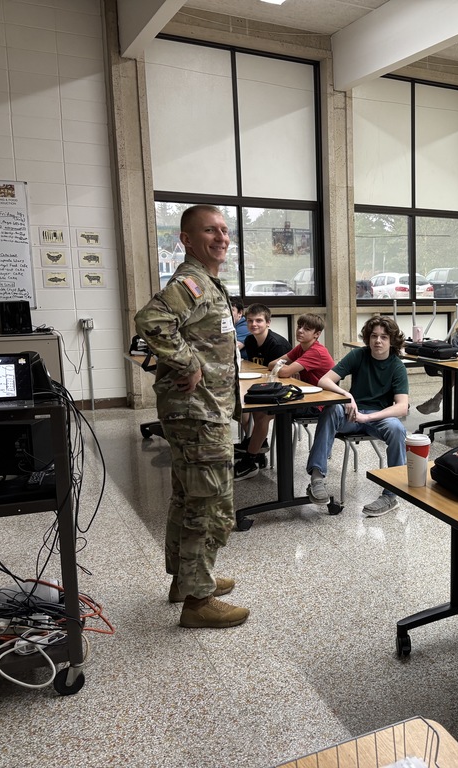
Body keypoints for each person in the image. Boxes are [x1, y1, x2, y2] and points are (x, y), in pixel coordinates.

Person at [134, 204, 247, 629]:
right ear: (186, 239)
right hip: (198, 413)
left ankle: (187, 580)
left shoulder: (208, 283)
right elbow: (151, 320)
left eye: (224, 230)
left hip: (202, 412)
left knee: (188, 496)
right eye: (210, 230)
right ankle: (198, 603)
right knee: (210, 502)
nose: (221, 237)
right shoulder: (192, 281)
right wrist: (187, 363)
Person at [306, 315, 409, 517]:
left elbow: (402, 407)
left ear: (392, 341)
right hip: (351, 414)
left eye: (384, 337)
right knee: (331, 409)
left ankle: (391, 495)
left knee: (397, 428)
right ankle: (317, 479)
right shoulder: (358, 355)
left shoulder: (397, 366)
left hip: (377, 417)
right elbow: (324, 381)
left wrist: (368, 418)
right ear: (368, 338)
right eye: (374, 336)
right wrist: (346, 396)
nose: (378, 341)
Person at [234, 313, 335, 480]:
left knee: (264, 413)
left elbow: (284, 371)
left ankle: (250, 460)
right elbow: (272, 364)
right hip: (304, 396)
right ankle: (257, 448)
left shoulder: (316, 351)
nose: (300, 331)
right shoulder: (301, 348)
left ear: (317, 334)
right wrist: (285, 368)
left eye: (307, 329)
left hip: (319, 404)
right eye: (299, 327)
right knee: (260, 411)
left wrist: (286, 369)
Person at [233, 303, 291, 472]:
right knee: (243, 411)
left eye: (259, 320)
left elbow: (283, 377)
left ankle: (250, 459)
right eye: (250, 321)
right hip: (262, 387)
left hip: (282, 391)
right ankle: (257, 445)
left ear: (268, 323)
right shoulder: (251, 340)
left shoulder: (277, 345)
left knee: (260, 416)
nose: (254, 324)